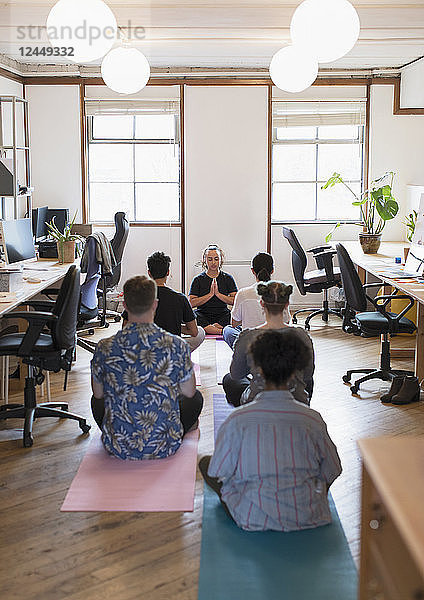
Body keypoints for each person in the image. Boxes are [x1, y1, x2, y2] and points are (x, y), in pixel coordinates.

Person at [199, 329, 342, 532]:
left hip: (251, 516)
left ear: (258, 370)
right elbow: (333, 469)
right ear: (295, 372)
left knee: (206, 463)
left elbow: (217, 471)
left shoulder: (237, 420)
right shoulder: (313, 419)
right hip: (309, 515)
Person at [91, 275, 204, 460]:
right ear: (155, 304)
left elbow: (98, 394)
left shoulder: (104, 347)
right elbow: (189, 392)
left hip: (118, 445)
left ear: (125, 306)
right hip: (165, 444)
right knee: (196, 398)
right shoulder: (177, 345)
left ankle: (116, 433)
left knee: (96, 401)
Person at [223, 280, 314, 407]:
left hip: (258, 399)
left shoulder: (248, 337)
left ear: (262, 303)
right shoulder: (302, 335)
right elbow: (308, 373)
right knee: (308, 381)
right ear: (287, 304)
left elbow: (236, 374)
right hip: (294, 398)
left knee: (229, 379)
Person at [223, 252, 288, 349]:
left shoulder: (243, 294)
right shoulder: (281, 291)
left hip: (250, 345)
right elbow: (286, 321)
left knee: (228, 330)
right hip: (274, 343)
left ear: (253, 271)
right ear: (272, 270)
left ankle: (243, 352)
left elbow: (234, 323)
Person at [146, 251, 205, 352]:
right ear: (168, 272)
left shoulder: (138, 296)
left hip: (146, 349)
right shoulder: (180, 298)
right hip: (171, 348)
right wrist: (175, 325)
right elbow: (193, 332)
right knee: (201, 331)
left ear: (149, 273)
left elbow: (126, 328)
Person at [189, 244, 238, 335]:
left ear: (221, 260)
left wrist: (218, 294)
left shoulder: (227, 278)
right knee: (192, 315)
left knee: (233, 314)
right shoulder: (198, 280)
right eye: (210, 259)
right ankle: (221, 331)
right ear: (205, 260)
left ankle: (208, 329)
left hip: (222, 314)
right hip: (202, 314)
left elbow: (235, 301)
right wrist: (210, 295)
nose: (213, 262)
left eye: (216, 259)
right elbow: (191, 303)